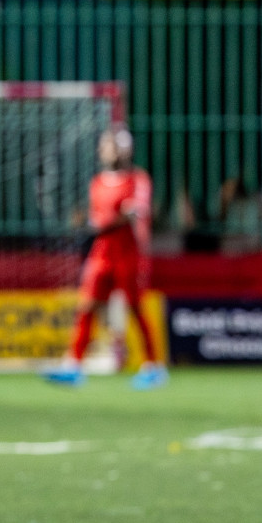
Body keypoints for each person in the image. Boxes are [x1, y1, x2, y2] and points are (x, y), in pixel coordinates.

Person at [45, 127, 167, 390]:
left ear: (123, 150)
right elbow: (99, 218)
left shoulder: (137, 179)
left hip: (128, 252)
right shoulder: (98, 182)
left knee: (135, 307)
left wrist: (105, 223)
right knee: (87, 306)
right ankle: (74, 365)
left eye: (108, 145)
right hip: (102, 252)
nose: (103, 150)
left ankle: (153, 366)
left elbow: (133, 216)